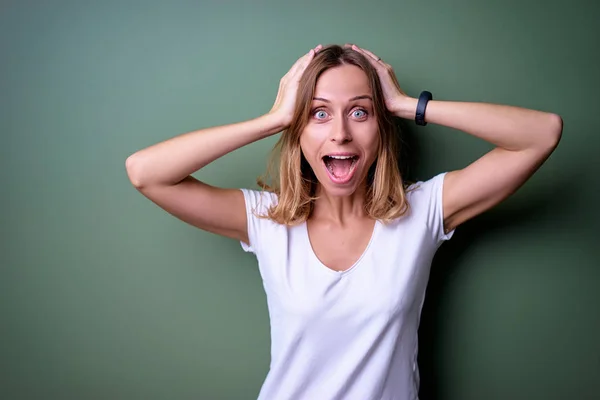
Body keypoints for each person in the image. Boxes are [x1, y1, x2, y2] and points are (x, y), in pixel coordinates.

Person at [125, 44, 562, 399]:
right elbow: (146, 172)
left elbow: (540, 134)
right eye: (318, 113)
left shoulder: (421, 211)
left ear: (381, 127)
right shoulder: (267, 220)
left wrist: (406, 104)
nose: (340, 133)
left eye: (360, 112)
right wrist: (275, 118)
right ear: (299, 133)